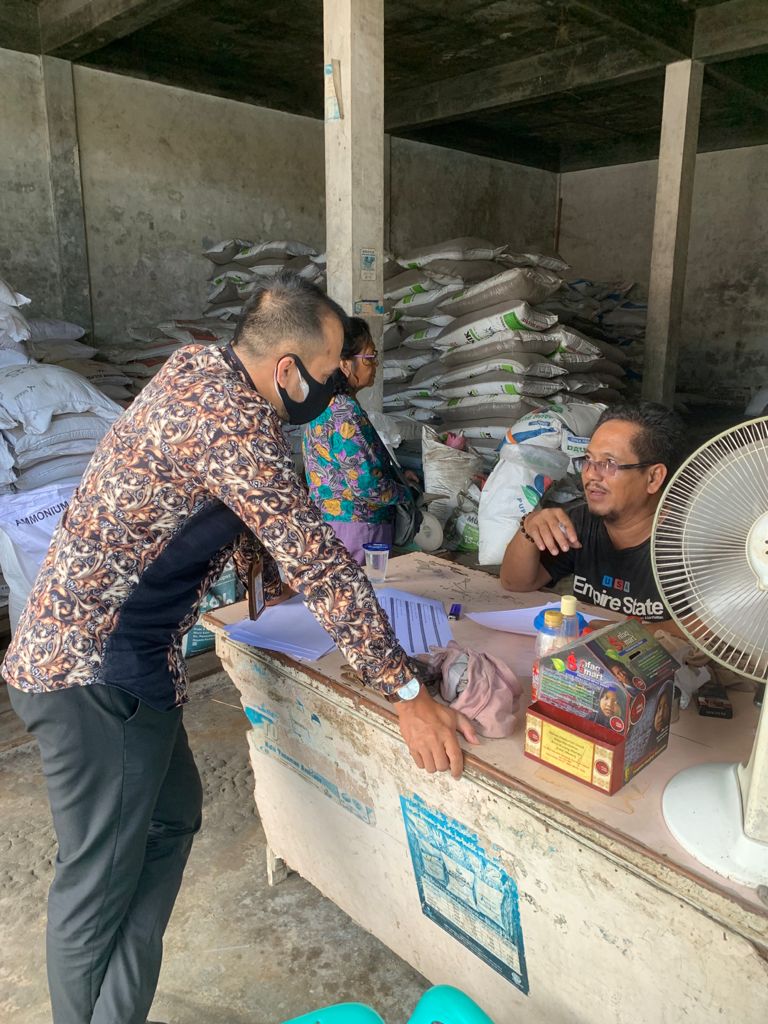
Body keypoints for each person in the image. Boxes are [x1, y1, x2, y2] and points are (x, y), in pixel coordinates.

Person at [2, 273, 477, 1024]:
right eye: (329, 374)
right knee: (96, 884)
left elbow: (221, 503)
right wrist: (407, 692)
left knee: (170, 820)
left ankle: (114, 1009)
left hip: (118, 663)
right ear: (287, 369)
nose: (336, 389)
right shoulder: (235, 424)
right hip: (92, 675)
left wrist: (263, 572)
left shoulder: (201, 369)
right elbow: (320, 559)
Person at [500, 401, 686, 627]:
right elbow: (516, 583)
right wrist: (529, 527)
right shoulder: (580, 523)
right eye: (588, 460)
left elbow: (709, 628)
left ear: (653, 478)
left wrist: (620, 634)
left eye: (609, 463)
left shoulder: (689, 542)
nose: (590, 475)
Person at [302, 316, 411, 563]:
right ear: (344, 364)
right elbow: (367, 486)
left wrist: (395, 476)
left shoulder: (322, 406)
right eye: (369, 357)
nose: (375, 364)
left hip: (334, 527)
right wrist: (406, 494)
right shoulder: (344, 411)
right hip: (360, 530)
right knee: (364, 586)